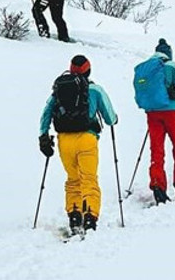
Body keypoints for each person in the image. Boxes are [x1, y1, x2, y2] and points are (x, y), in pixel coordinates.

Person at [38, 55, 118, 235]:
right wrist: (114, 119)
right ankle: (90, 218)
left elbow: (46, 113)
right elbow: (109, 118)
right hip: (86, 139)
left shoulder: (59, 90)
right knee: (89, 179)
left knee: (73, 179)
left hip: (64, 140)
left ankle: (74, 217)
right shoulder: (95, 90)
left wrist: (43, 136)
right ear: (88, 71)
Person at [134, 39, 175, 204]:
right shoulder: (171, 66)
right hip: (172, 113)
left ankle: (157, 185)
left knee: (157, 150)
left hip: (152, 113)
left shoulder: (146, 67)